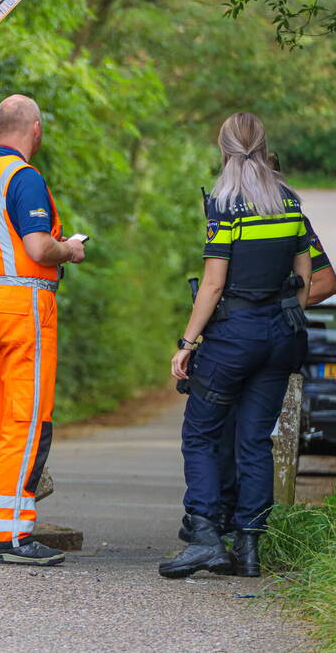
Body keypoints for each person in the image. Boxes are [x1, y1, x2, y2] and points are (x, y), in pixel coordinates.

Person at [160, 112, 311, 579]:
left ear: (223, 149)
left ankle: (205, 536)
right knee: (253, 442)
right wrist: (285, 313)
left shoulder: (224, 204)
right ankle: (248, 549)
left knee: (201, 433)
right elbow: (305, 278)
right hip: (281, 336)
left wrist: (187, 343)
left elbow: (212, 284)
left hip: (234, 336)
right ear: (264, 147)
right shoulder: (288, 201)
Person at [0, 94, 85, 566]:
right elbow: (37, 246)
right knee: (27, 419)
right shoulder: (24, 178)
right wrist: (69, 249)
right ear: (34, 129)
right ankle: (13, 536)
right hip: (24, 304)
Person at [181, 218, 334, 552]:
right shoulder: (278, 216)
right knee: (243, 440)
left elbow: (324, 281)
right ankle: (242, 537)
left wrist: (270, 310)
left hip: (239, 342)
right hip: (261, 342)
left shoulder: (272, 218)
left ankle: (215, 526)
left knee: (213, 435)